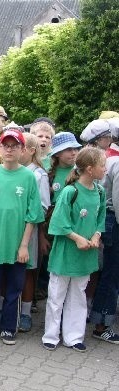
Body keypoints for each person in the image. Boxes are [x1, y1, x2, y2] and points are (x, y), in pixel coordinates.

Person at [0, 130, 44, 345]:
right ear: (0, 148)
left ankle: (8, 327)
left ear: (23, 150)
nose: (10, 149)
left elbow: (33, 215)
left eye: (15, 146)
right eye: (6, 145)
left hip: (17, 246)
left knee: (14, 289)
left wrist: (24, 246)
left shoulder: (29, 177)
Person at [42, 146, 106, 352]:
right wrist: (77, 238)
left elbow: (101, 218)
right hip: (65, 253)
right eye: (102, 165)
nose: (105, 169)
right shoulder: (71, 191)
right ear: (89, 169)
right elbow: (59, 223)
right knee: (56, 295)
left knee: (78, 295)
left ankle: (74, 336)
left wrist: (96, 235)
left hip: (85, 255)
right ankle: (51, 335)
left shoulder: (100, 191)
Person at [90, 121, 119, 344]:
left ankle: (100, 319)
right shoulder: (116, 162)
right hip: (114, 221)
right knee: (111, 275)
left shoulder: (106, 160)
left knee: (108, 274)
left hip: (108, 220)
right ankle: (102, 325)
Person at [18, 132, 50, 332]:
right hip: (9, 229)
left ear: (30, 151)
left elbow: (43, 206)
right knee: (8, 269)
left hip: (29, 228)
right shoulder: (10, 171)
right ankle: (9, 308)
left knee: (28, 271)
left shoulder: (38, 175)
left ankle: (26, 313)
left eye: (21, 146)